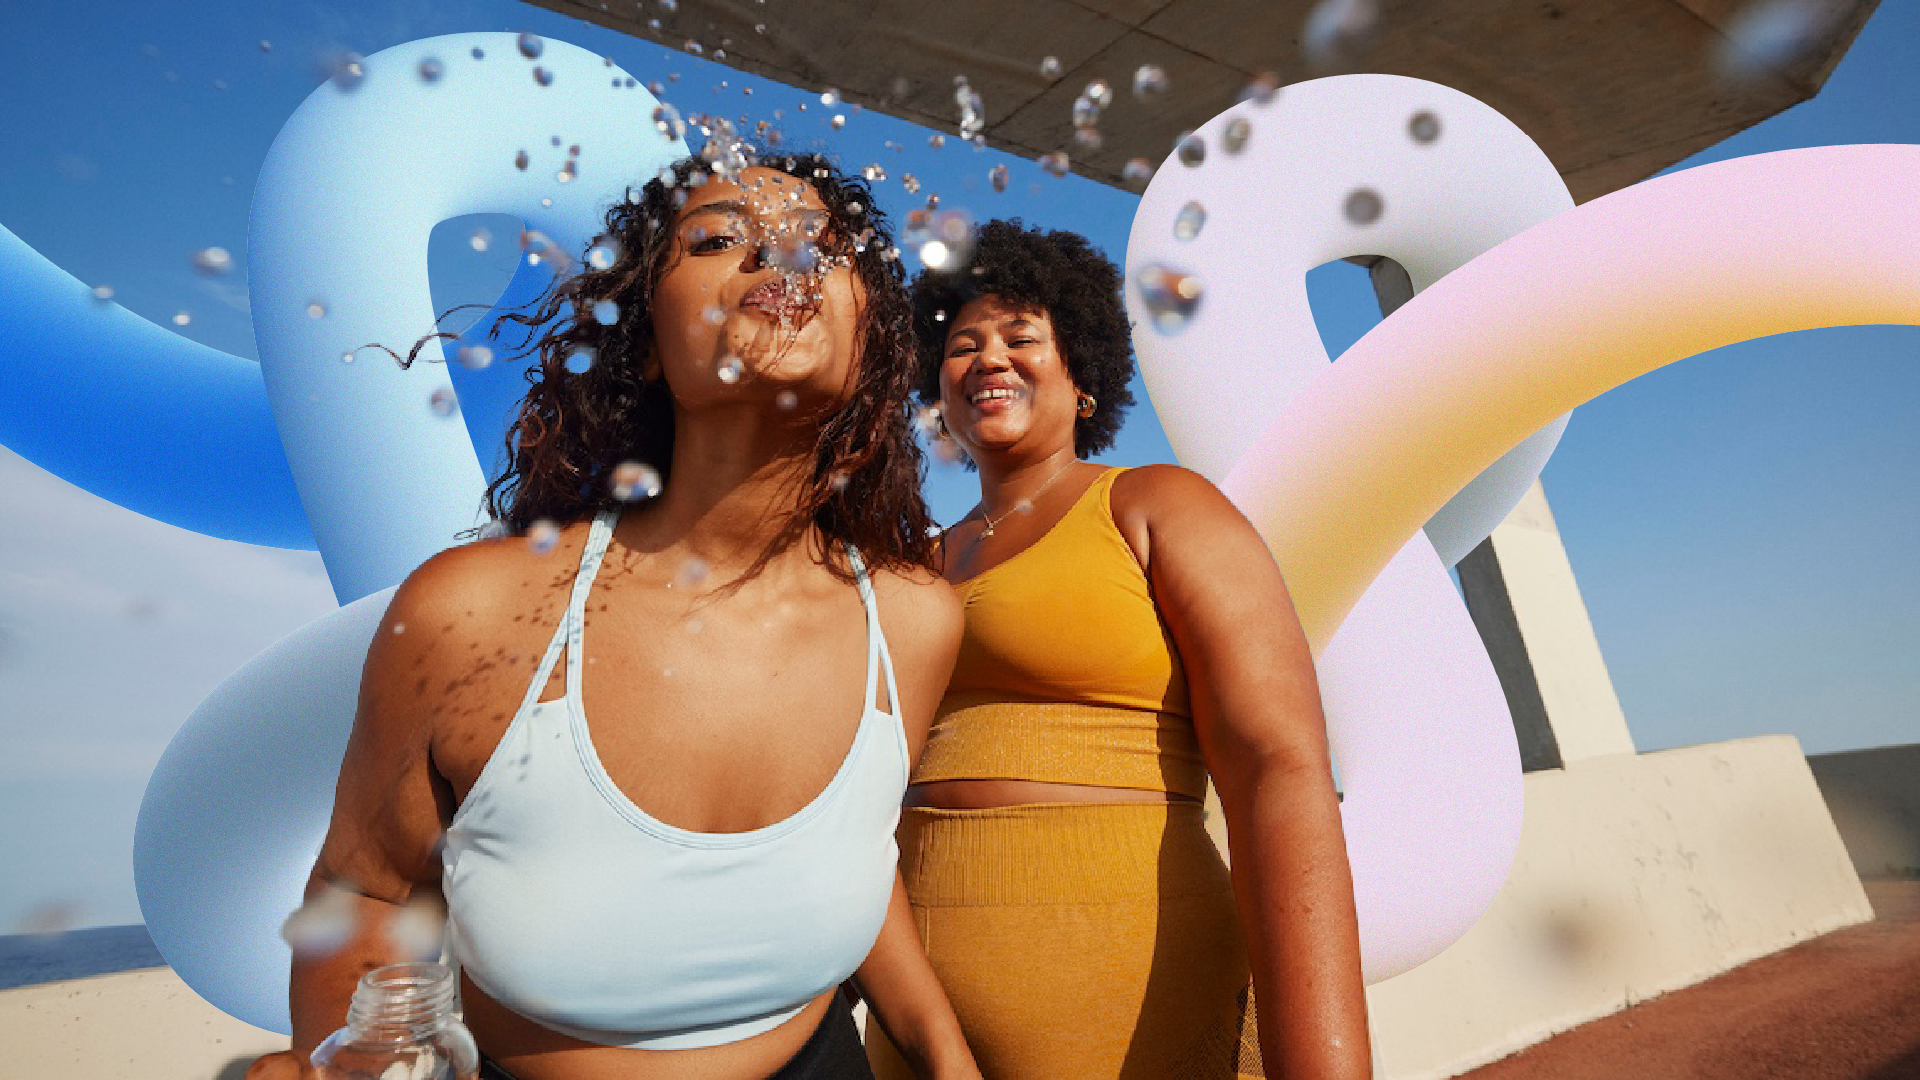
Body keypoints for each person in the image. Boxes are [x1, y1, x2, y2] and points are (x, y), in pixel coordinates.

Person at [248, 153, 980, 1080]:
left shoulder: (914, 622)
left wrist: (946, 1057)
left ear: (868, 338)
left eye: (823, 246)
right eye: (718, 239)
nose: (779, 254)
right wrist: (335, 1059)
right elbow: (369, 892)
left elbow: (855, 853)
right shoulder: (472, 614)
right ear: (643, 346)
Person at [864, 220, 1372, 1079]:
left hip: (1148, 1018)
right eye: (961, 347)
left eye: (1021, 337)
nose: (988, 358)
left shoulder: (1157, 506)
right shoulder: (911, 563)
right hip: (919, 1045)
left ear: (1083, 378)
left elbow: (1276, 766)